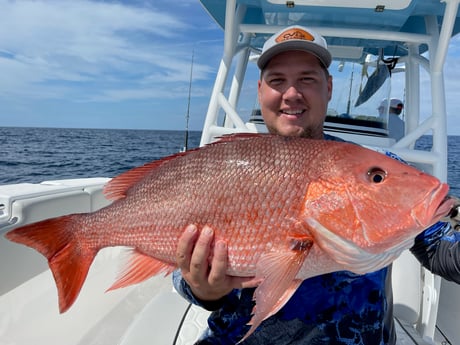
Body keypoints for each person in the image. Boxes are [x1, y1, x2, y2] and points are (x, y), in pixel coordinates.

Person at [172, 25, 460, 344]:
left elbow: (441, 249)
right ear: (260, 90)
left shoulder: (381, 168)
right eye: (277, 80)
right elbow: (181, 272)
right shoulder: (223, 170)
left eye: (307, 79)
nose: (292, 93)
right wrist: (204, 290)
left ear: (329, 87)